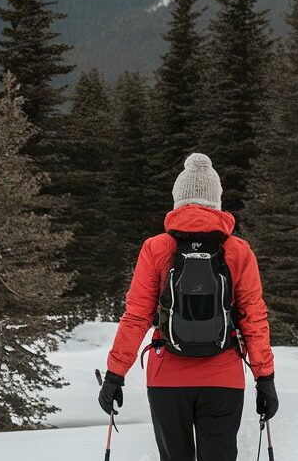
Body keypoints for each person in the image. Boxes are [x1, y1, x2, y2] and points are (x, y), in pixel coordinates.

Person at [98, 152, 278, 461]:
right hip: (223, 378)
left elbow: (137, 315)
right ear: (216, 201)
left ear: (178, 199)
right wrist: (266, 378)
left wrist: (115, 374)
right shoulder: (238, 251)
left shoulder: (156, 248)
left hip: (167, 378)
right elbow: (253, 317)